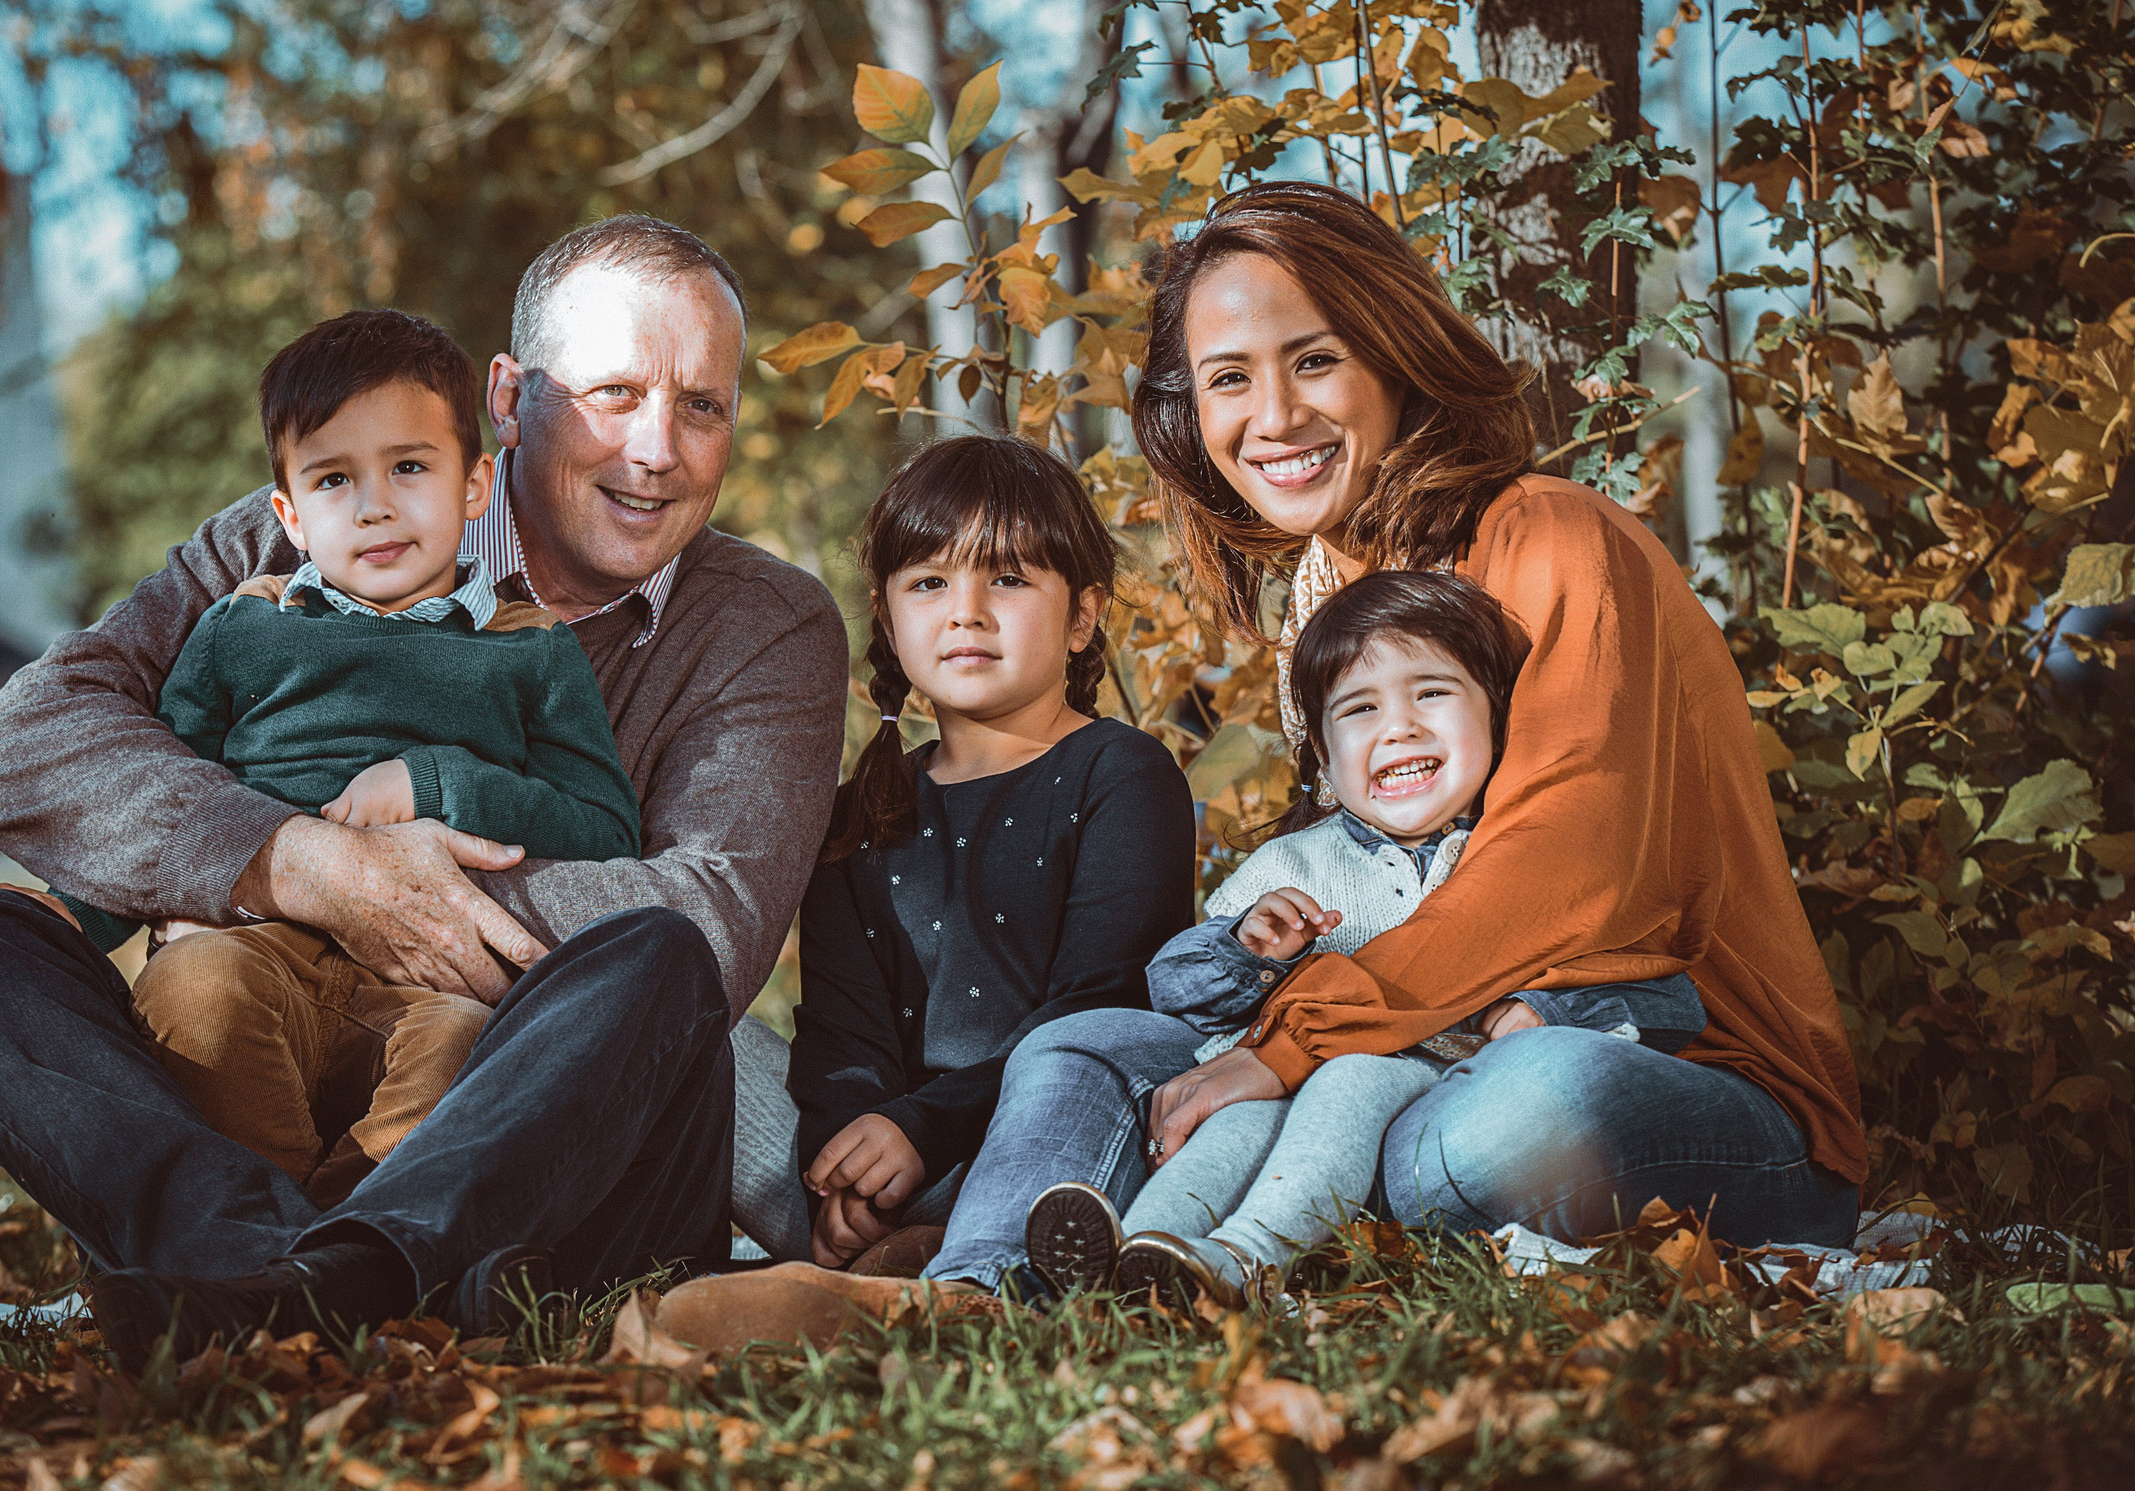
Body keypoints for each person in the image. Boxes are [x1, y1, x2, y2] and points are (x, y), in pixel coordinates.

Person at [713, 179, 1865, 1310]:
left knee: (1516, 1113)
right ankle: (973, 1284)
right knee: (1095, 1046)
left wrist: (1291, 1043)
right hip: (1404, 1062)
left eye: (1313, 360)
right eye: (1229, 380)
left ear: (1392, 352)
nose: (1273, 418)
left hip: (1672, 1075)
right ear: (1190, 414)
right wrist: (1251, 1011)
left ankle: (1210, 1229)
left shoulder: (1552, 538)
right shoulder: (1336, 604)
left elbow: (1572, 870)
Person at [0, 216, 849, 1363]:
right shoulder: (303, 539)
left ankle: (317, 1278)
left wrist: (400, 887)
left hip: (539, 1184)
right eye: (614, 393)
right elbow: (16, 748)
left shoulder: (768, 624)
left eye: (703, 405)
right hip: (258, 1041)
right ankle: (256, 1261)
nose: (656, 449)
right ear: (507, 397)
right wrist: (303, 865)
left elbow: (715, 914)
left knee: (656, 956)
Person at [71, 310, 641, 1211]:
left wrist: (438, 784)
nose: (374, 504)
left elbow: (606, 827)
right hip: (250, 948)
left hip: (420, 984)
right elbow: (163, 787)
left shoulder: (527, 650)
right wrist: (68, 922)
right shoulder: (244, 629)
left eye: (409, 467)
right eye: (335, 479)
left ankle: (339, 1257)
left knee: (461, 1047)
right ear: (290, 514)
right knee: (197, 988)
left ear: (475, 485)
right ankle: (265, 1239)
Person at [1024, 571, 1707, 1306]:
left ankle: (1245, 1256)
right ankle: (1139, 1254)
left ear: (1499, 718)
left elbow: (1663, 991)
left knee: (1350, 1076)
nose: (1400, 726)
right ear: (1321, 754)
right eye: (1360, 707)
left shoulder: (1523, 857)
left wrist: (1547, 1010)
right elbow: (1174, 985)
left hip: (1435, 1089)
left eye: (1433, 693)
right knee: (1235, 1121)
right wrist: (1245, 952)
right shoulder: (1293, 864)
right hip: (1275, 1085)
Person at [736, 435, 1195, 1273]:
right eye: (930, 583)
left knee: (1071, 1058)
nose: (967, 610)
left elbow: (1104, 1003)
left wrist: (925, 1125)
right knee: (708, 1028)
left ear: (1083, 615)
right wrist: (852, 1165)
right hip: (900, 1169)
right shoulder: (857, 816)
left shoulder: (1123, 774)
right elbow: (844, 1035)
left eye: (1009, 578)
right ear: (888, 616)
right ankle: (874, 1252)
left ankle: (954, 1273)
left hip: (1061, 1156)